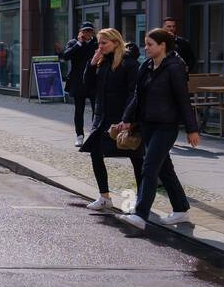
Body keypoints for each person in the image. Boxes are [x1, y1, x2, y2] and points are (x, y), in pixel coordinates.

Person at [111, 27, 200, 230]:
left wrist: (192, 129)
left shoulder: (175, 67)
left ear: (163, 46)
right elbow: (137, 95)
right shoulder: (148, 65)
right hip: (147, 124)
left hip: (166, 126)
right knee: (165, 168)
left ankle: (140, 215)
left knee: (149, 168)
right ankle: (181, 210)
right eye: (146, 43)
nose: (146, 48)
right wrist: (126, 118)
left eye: (150, 44)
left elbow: (183, 100)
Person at [79, 29, 143, 212]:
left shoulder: (129, 64)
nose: (100, 47)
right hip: (102, 117)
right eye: (99, 43)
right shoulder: (102, 62)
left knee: (135, 156)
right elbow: (88, 86)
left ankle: (141, 198)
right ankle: (104, 197)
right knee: (96, 154)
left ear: (115, 42)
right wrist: (91, 65)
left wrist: (128, 118)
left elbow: (135, 93)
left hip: (123, 118)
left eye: (104, 43)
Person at [60, 23, 98, 147]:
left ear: (93, 32)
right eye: (85, 31)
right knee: (79, 110)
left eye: (90, 31)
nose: (87, 33)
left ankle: (94, 134)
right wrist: (79, 44)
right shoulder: (73, 43)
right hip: (78, 81)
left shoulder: (96, 43)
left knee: (96, 109)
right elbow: (65, 56)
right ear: (81, 32)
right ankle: (79, 135)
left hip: (93, 81)